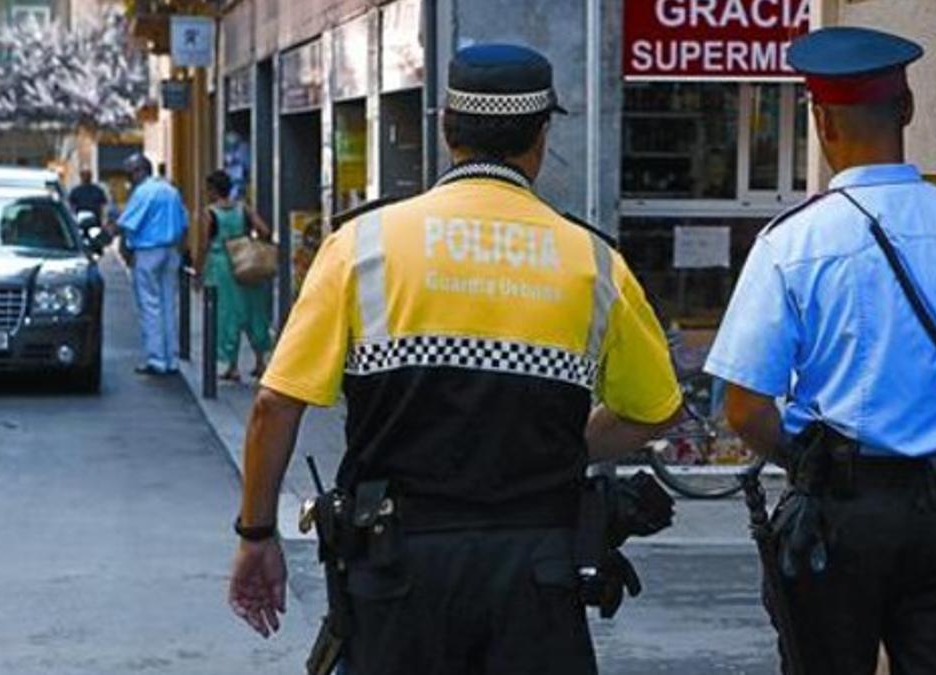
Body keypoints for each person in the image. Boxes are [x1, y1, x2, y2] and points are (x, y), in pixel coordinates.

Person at [227, 43, 684, 673]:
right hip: (537, 576)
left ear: (446, 128)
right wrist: (562, 446)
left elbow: (275, 403)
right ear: (542, 134)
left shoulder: (361, 246)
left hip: (394, 573)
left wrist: (256, 535)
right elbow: (654, 411)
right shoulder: (594, 262)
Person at [704, 27, 936, 674]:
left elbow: (745, 409)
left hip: (839, 518)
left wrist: (804, 462)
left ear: (820, 120)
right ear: (908, 109)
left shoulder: (792, 243)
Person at [195, 170, 273, 382]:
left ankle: (231, 366)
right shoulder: (243, 207)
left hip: (221, 267)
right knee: (255, 313)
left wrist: (198, 272)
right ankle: (261, 362)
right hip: (246, 264)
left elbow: (203, 244)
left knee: (226, 315)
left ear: (212, 190)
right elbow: (264, 231)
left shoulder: (209, 212)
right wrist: (246, 239)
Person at [117, 153, 188, 376]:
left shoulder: (143, 192)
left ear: (140, 170)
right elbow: (184, 224)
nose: (128, 178)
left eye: (130, 173)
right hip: (171, 251)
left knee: (150, 305)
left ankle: (157, 359)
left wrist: (124, 247)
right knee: (168, 305)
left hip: (148, 251)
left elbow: (128, 224)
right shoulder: (171, 190)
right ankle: (172, 358)